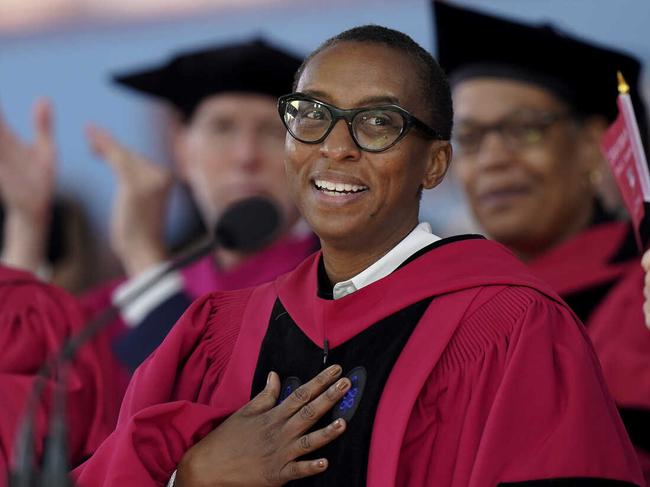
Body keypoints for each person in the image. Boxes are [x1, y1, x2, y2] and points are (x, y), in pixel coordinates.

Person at [71, 25, 643, 486]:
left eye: (377, 123)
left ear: (435, 164)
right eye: (312, 116)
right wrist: (188, 478)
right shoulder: (219, 329)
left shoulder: (510, 329)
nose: (335, 147)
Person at [433, 1, 650, 480]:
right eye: (470, 138)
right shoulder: (441, 305)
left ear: (592, 143)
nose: (492, 158)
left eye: (524, 130)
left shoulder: (639, 297)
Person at [79, 38, 318, 372]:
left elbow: (220, 408)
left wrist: (144, 256)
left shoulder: (338, 286)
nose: (245, 155)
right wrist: (26, 225)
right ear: (181, 150)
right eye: (222, 128)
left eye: (272, 132)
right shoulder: (117, 304)